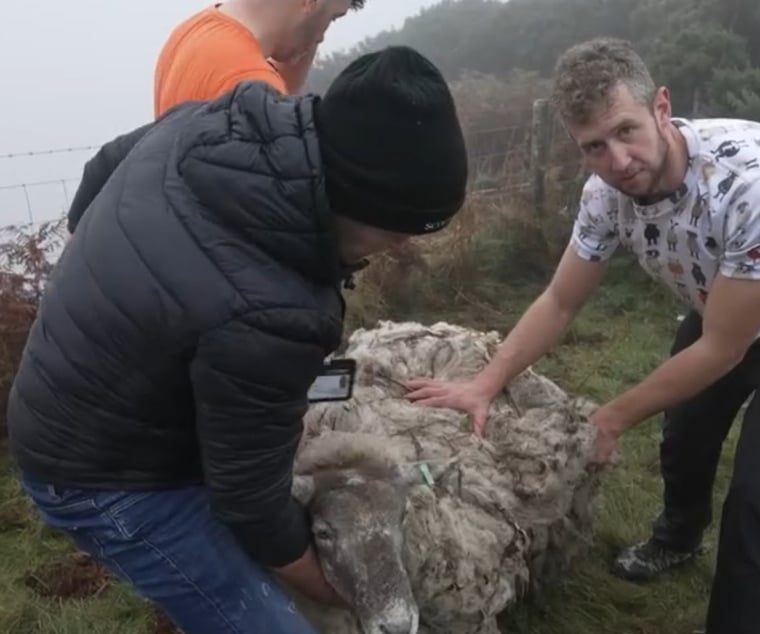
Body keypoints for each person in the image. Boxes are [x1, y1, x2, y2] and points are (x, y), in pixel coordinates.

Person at [404, 36, 760, 634]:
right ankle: (677, 539)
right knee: (684, 435)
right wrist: (485, 382)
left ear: (661, 107)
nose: (618, 160)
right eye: (594, 147)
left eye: (627, 130)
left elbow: (722, 350)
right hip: (722, 306)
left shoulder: (759, 184)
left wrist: (608, 418)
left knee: (757, 495)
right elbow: (559, 300)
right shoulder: (605, 196)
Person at [8, 46, 467, 634]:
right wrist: (339, 592)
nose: (402, 248)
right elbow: (251, 504)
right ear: (354, 199)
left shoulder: (213, 124)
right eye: (397, 231)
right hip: (100, 478)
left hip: (65, 401)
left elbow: (104, 165)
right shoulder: (277, 307)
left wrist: (99, 296)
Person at [153, 0, 365, 117]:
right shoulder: (249, 84)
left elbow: (281, 95)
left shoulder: (191, 32)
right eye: (333, 18)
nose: (321, 36)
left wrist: (305, 34)